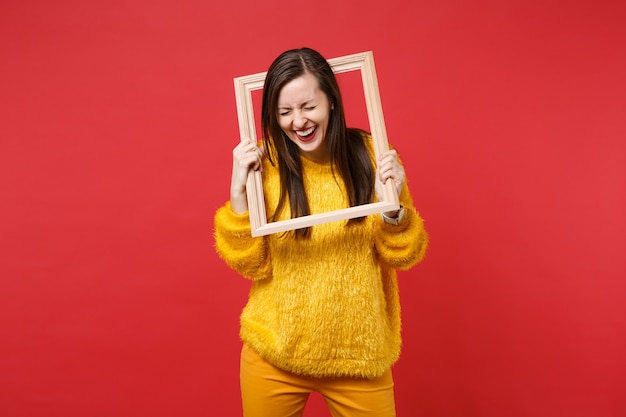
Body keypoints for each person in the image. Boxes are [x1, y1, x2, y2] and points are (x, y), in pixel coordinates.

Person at [214, 47, 428, 417]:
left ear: (331, 100)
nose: (298, 121)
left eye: (308, 106)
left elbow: (403, 254)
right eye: (284, 112)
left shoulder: (374, 155)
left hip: (358, 358)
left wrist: (393, 211)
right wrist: (238, 194)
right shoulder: (264, 167)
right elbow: (250, 264)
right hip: (275, 354)